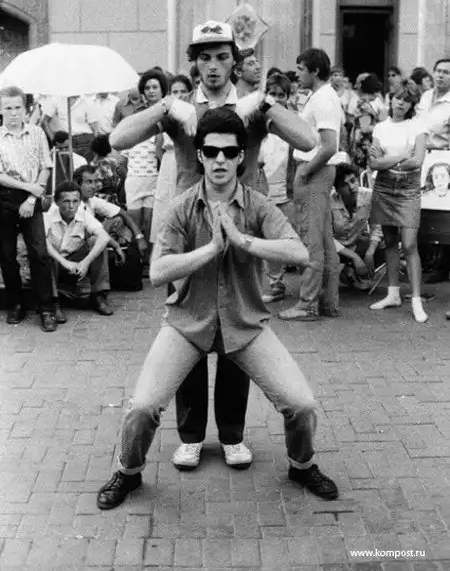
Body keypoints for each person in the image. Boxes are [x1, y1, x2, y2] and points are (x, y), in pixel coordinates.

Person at [96, 109, 338, 510]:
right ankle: (128, 471)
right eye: (211, 152)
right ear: (201, 155)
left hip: (245, 323)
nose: (220, 160)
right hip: (187, 323)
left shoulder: (258, 205)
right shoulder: (181, 207)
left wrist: (244, 242)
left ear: (241, 156)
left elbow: (298, 252)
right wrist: (210, 250)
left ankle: (302, 464)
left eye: (229, 152)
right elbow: (157, 271)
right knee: (142, 408)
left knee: (302, 404)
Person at [109, 19, 316, 471]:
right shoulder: (182, 107)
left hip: (244, 222)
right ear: (195, 63)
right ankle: (190, 435)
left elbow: (308, 140)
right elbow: (118, 139)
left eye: (223, 57)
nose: (214, 66)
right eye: (205, 58)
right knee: (189, 326)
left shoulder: (250, 106)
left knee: (237, 330)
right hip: (189, 227)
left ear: (234, 61)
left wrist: (267, 104)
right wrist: (166, 104)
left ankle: (232, 434)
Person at [279, 48, 342, 322]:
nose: (297, 74)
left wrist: (305, 172)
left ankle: (307, 303)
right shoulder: (321, 96)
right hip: (317, 171)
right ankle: (328, 301)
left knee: (310, 238)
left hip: (313, 171)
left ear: (315, 71)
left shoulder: (323, 99)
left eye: (301, 69)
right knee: (324, 238)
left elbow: (329, 146)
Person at [368, 83, 428, 323]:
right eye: (398, 98)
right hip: (383, 188)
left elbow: (418, 161)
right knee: (390, 241)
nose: (401, 103)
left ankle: (416, 299)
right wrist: (402, 157)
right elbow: (373, 164)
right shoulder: (380, 127)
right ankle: (393, 294)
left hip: (408, 189)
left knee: (410, 244)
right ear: (391, 99)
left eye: (406, 99)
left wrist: (387, 161)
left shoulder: (417, 126)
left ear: (412, 104)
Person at [0, 86, 58, 332]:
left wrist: (32, 197)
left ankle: (46, 308)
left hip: (32, 199)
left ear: (25, 109)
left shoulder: (36, 132)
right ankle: (16, 304)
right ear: (1, 110)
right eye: (8, 108)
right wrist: (28, 187)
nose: (13, 113)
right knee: (7, 255)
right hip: (5, 198)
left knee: (39, 253)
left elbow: (46, 166)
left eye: (17, 107)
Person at [45, 181, 112, 323]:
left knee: (97, 241)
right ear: (57, 202)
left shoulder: (82, 213)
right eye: (66, 201)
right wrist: (64, 262)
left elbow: (104, 237)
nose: (71, 206)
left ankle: (98, 295)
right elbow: (41, 243)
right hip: (54, 265)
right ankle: (54, 303)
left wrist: (85, 262)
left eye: (75, 201)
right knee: (46, 253)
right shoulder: (48, 215)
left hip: (76, 262)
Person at [259, 73, 297, 303]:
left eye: (281, 95)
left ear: (288, 97)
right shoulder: (259, 121)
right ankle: (275, 283)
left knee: (292, 237)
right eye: (272, 94)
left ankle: (312, 284)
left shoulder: (293, 122)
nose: (276, 98)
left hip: (289, 190)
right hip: (264, 188)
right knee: (268, 238)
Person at [124, 69, 168, 263]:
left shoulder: (168, 114)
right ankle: (135, 263)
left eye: (155, 87)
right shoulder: (138, 115)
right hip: (135, 177)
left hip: (156, 177)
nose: (151, 91)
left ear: (162, 89)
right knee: (135, 223)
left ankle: (151, 262)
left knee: (151, 223)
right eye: (148, 87)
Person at [150, 75, 192, 245]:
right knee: (166, 203)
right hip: (169, 163)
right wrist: (168, 165)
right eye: (175, 91)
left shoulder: (193, 114)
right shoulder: (166, 117)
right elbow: (158, 149)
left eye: (183, 91)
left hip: (188, 163)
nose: (179, 95)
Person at [331, 163, 383, 289]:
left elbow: (377, 228)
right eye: (344, 185)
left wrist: (370, 253)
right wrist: (355, 258)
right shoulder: (328, 201)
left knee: (386, 242)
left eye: (353, 181)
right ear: (337, 189)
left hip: (355, 244)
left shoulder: (369, 196)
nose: (351, 187)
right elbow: (326, 237)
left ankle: (349, 272)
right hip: (333, 249)